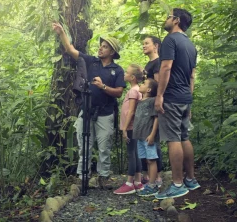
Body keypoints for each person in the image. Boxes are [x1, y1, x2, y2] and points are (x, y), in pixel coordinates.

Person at [52, 22, 126, 189]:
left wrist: (103, 87)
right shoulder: (91, 62)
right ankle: (82, 177)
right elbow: (71, 50)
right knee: (84, 144)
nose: (100, 49)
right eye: (101, 46)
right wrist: (62, 32)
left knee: (104, 147)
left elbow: (119, 92)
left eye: (105, 47)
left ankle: (103, 176)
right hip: (86, 111)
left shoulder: (117, 70)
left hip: (106, 113)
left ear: (112, 52)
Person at [154, 8, 200, 200]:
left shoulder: (170, 40)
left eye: (168, 16)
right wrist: (188, 98)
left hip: (171, 97)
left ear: (176, 20)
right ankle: (191, 179)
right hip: (184, 97)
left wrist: (159, 95)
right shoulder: (190, 45)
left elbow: (166, 67)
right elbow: (192, 75)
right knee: (184, 137)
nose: (165, 19)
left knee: (173, 138)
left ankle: (177, 184)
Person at [114, 64, 144, 195]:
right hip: (135, 126)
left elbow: (131, 111)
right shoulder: (138, 89)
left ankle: (129, 183)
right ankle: (138, 181)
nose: (124, 74)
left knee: (131, 153)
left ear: (132, 77)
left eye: (126, 72)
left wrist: (124, 129)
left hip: (131, 127)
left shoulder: (133, 91)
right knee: (135, 153)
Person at [132, 78, 160, 197]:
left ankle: (153, 185)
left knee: (152, 160)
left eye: (143, 83)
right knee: (147, 160)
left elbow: (156, 118)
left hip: (148, 136)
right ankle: (149, 183)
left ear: (148, 89)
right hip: (140, 136)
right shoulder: (140, 101)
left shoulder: (152, 101)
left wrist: (152, 135)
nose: (141, 84)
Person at [141, 36, 163, 187]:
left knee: (153, 140)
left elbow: (157, 85)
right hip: (146, 106)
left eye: (146, 43)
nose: (143, 46)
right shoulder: (149, 63)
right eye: (143, 43)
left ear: (155, 46)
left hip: (153, 106)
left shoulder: (157, 63)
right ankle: (150, 175)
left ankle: (158, 176)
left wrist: (157, 103)